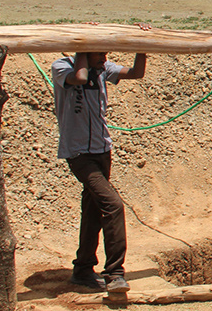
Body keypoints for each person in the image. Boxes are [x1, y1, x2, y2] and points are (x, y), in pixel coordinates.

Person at [52, 41, 149, 292]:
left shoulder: (102, 68)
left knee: (94, 207)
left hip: (102, 150)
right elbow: (80, 78)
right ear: (83, 51)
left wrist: (143, 44)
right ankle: (115, 273)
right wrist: (84, 48)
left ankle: (83, 269)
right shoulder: (63, 67)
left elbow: (137, 73)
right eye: (99, 51)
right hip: (78, 153)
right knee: (112, 205)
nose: (105, 57)